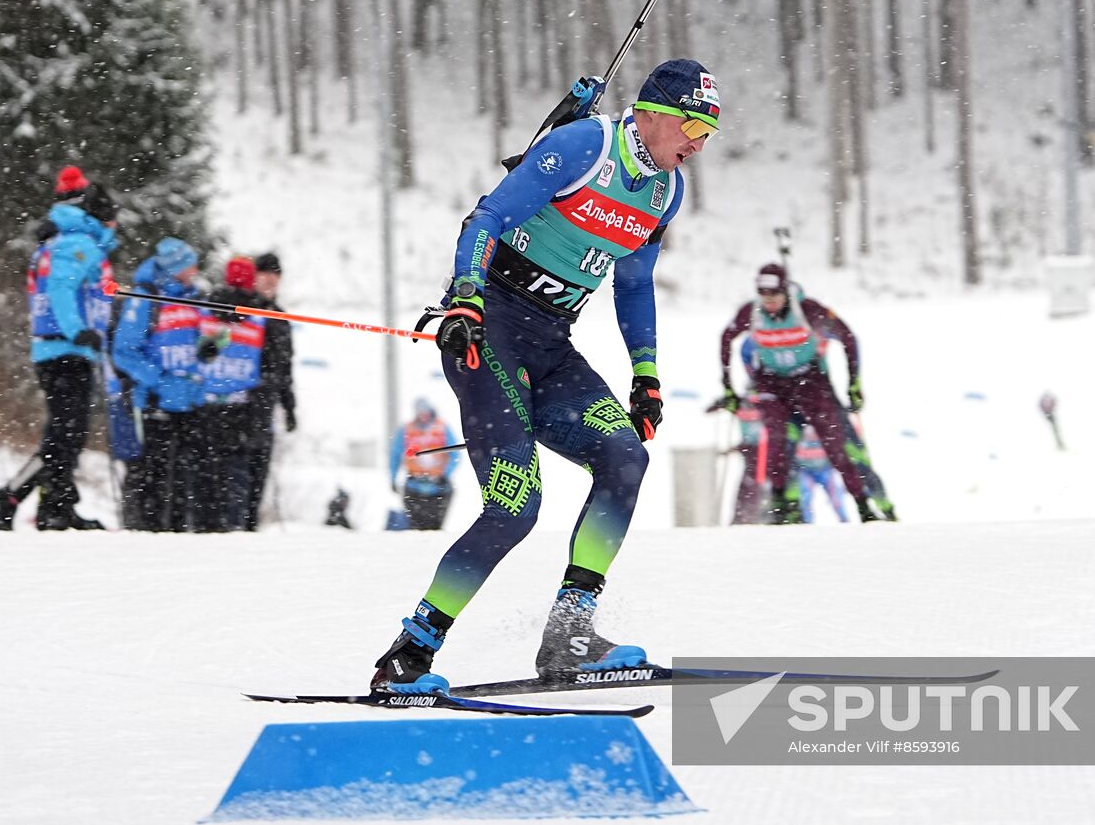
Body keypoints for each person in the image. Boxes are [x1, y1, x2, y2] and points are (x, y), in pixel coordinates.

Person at [370, 58, 719, 694]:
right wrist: (467, 298)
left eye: (709, 131)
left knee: (624, 459)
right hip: (488, 331)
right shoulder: (587, 145)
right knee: (515, 507)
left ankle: (570, 635)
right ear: (655, 111)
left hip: (551, 343)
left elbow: (634, 282)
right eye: (693, 123)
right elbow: (486, 218)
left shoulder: (667, 190)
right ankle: (409, 654)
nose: (698, 141)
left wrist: (646, 376)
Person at [0, 166, 118, 532]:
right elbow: (61, 290)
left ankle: (54, 504)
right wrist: (79, 331)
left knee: (66, 434)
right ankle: (23, 497)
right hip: (64, 349)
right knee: (65, 435)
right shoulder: (78, 244)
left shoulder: (64, 241)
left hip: (61, 349)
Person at [718, 263, 880, 524]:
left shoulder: (807, 310)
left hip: (809, 380)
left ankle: (863, 505)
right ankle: (781, 504)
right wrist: (727, 386)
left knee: (835, 445)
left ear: (786, 292)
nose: (769, 302)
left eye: (775, 296)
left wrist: (854, 384)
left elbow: (848, 338)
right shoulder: (752, 312)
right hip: (772, 382)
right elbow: (727, 338)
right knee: (777, 440)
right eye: (764, 296)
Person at [112, 238, 204, 531]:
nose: (196, 268)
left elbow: (197, 342)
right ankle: (141, 535)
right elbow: (124, 352)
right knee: (151, 478)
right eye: (190, 263)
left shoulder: (195, 297)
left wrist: (211, 347)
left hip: (188, 404)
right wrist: (159, 381)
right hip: (154, 403)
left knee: (183, 483)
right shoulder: (144, 298)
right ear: (176, 266)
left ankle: (176, 540)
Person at [195, 256, 266, 531]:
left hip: (209, 401)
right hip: (241, 404)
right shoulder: (259, 313)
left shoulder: (208, 307)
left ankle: (206, 525)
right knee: (236, 471)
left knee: (207, 470)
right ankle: (232, 524)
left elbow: (199, 347)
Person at [245, 252, 296, 530]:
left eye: (274, 275)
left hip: (267, 403)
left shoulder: (279, 317)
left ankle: (251, 524)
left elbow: (286, 367)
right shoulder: (243, 310)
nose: (269, 280)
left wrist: (289, 406)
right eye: (264, 274)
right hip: (242, 401)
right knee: (239, 471)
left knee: (259, 469)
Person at [388, 397, 460, 530]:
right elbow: (395, 456)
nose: (423, 416)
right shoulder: (406, 430)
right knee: (416, 528)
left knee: (435, 528)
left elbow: (455, 454)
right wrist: (392, 478)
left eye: (425, 412)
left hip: (440, 488)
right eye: (420, 413)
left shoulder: (443, 428)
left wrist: (445, 474)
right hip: (413, 486)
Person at [796, 426, 852, 523]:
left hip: (825, 470)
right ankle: (807, 521)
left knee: (836, 498)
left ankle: (844, 520)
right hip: (807, 472)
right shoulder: (800, 437)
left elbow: (836, 453)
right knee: (806, 497)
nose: (812, 437)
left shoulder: (826, 436)